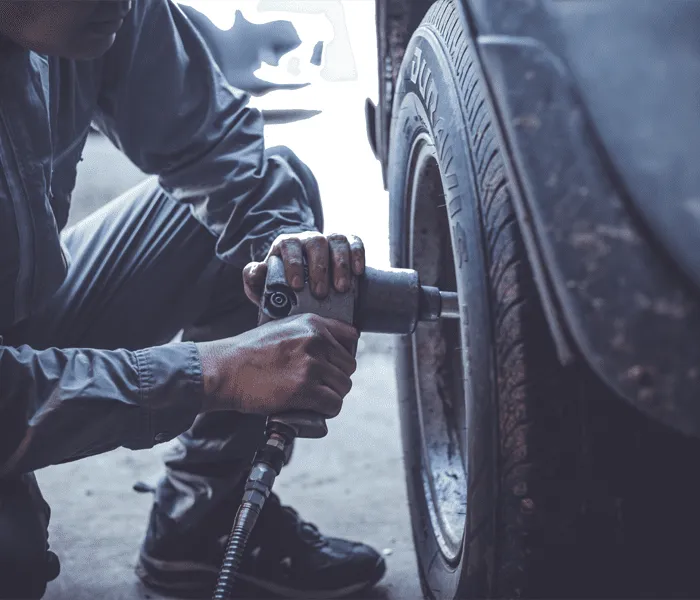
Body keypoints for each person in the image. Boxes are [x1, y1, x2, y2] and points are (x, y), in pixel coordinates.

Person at [0, 1, 386, 598]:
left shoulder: (106, 11)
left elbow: (219, 151)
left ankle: (200, 530)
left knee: (277, 213)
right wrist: (213, 374)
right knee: (12, 552)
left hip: (22, 309)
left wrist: (282, 249)